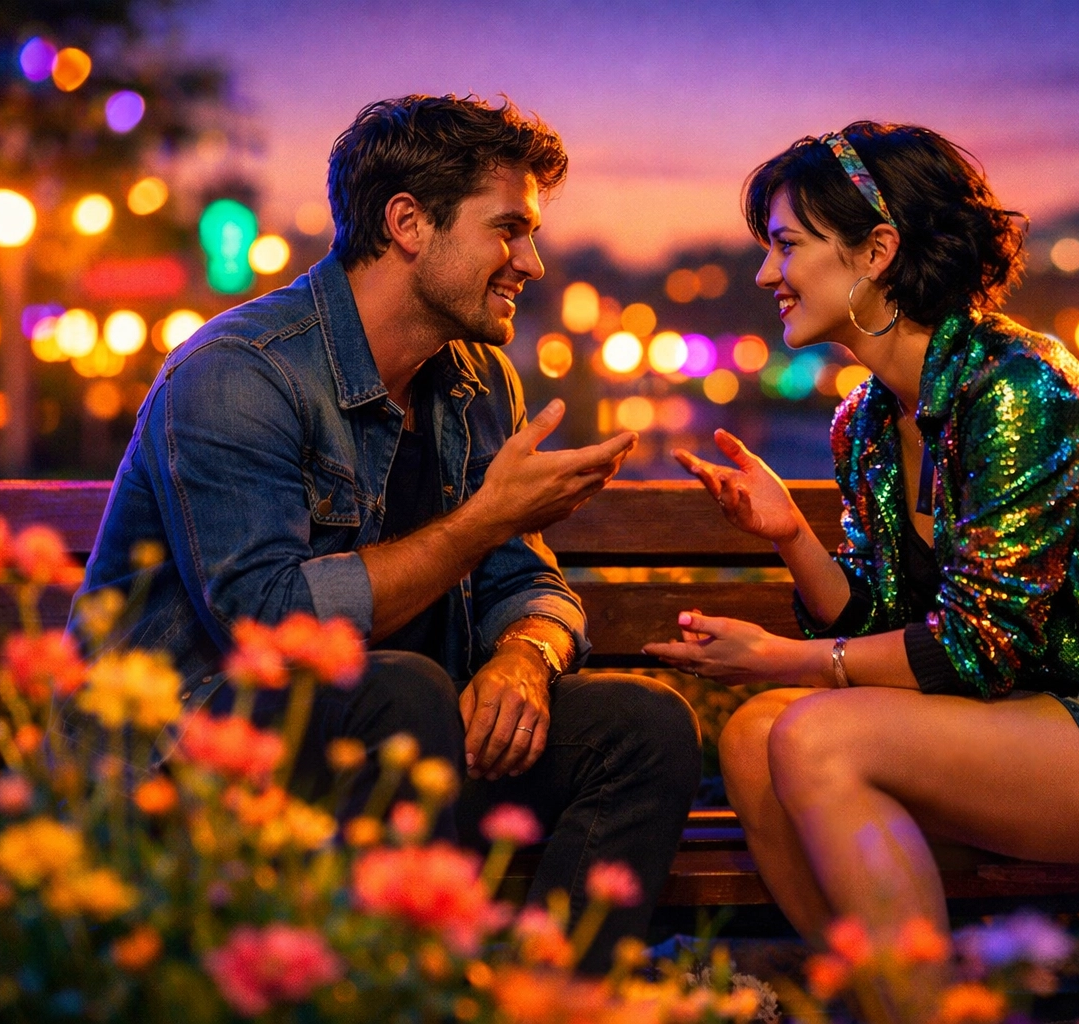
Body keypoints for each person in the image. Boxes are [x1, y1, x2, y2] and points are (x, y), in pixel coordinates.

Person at [71, 95, 702, 970]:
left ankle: (553, 997)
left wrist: (526, 654)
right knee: (400, 693)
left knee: (642, 724)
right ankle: (406, 992)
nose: (531, 261)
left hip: (412, 754)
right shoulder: (237, 376)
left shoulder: (480, 380)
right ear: (408, 223)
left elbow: (527, 579)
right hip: (194, 767)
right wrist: (480, 523)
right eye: (508, 230)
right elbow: (270, 629)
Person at [644, 122, 1079, 945]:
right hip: (1027, 719)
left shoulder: (1017, 387)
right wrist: (792, 539)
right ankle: (885, 1000)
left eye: (787, 244)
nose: (768, 272)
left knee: (809, 731)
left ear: (877, 250)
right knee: (754, 738)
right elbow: (886, 635)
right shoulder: (868, 421)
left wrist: (783, 659)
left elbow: (976, 647)